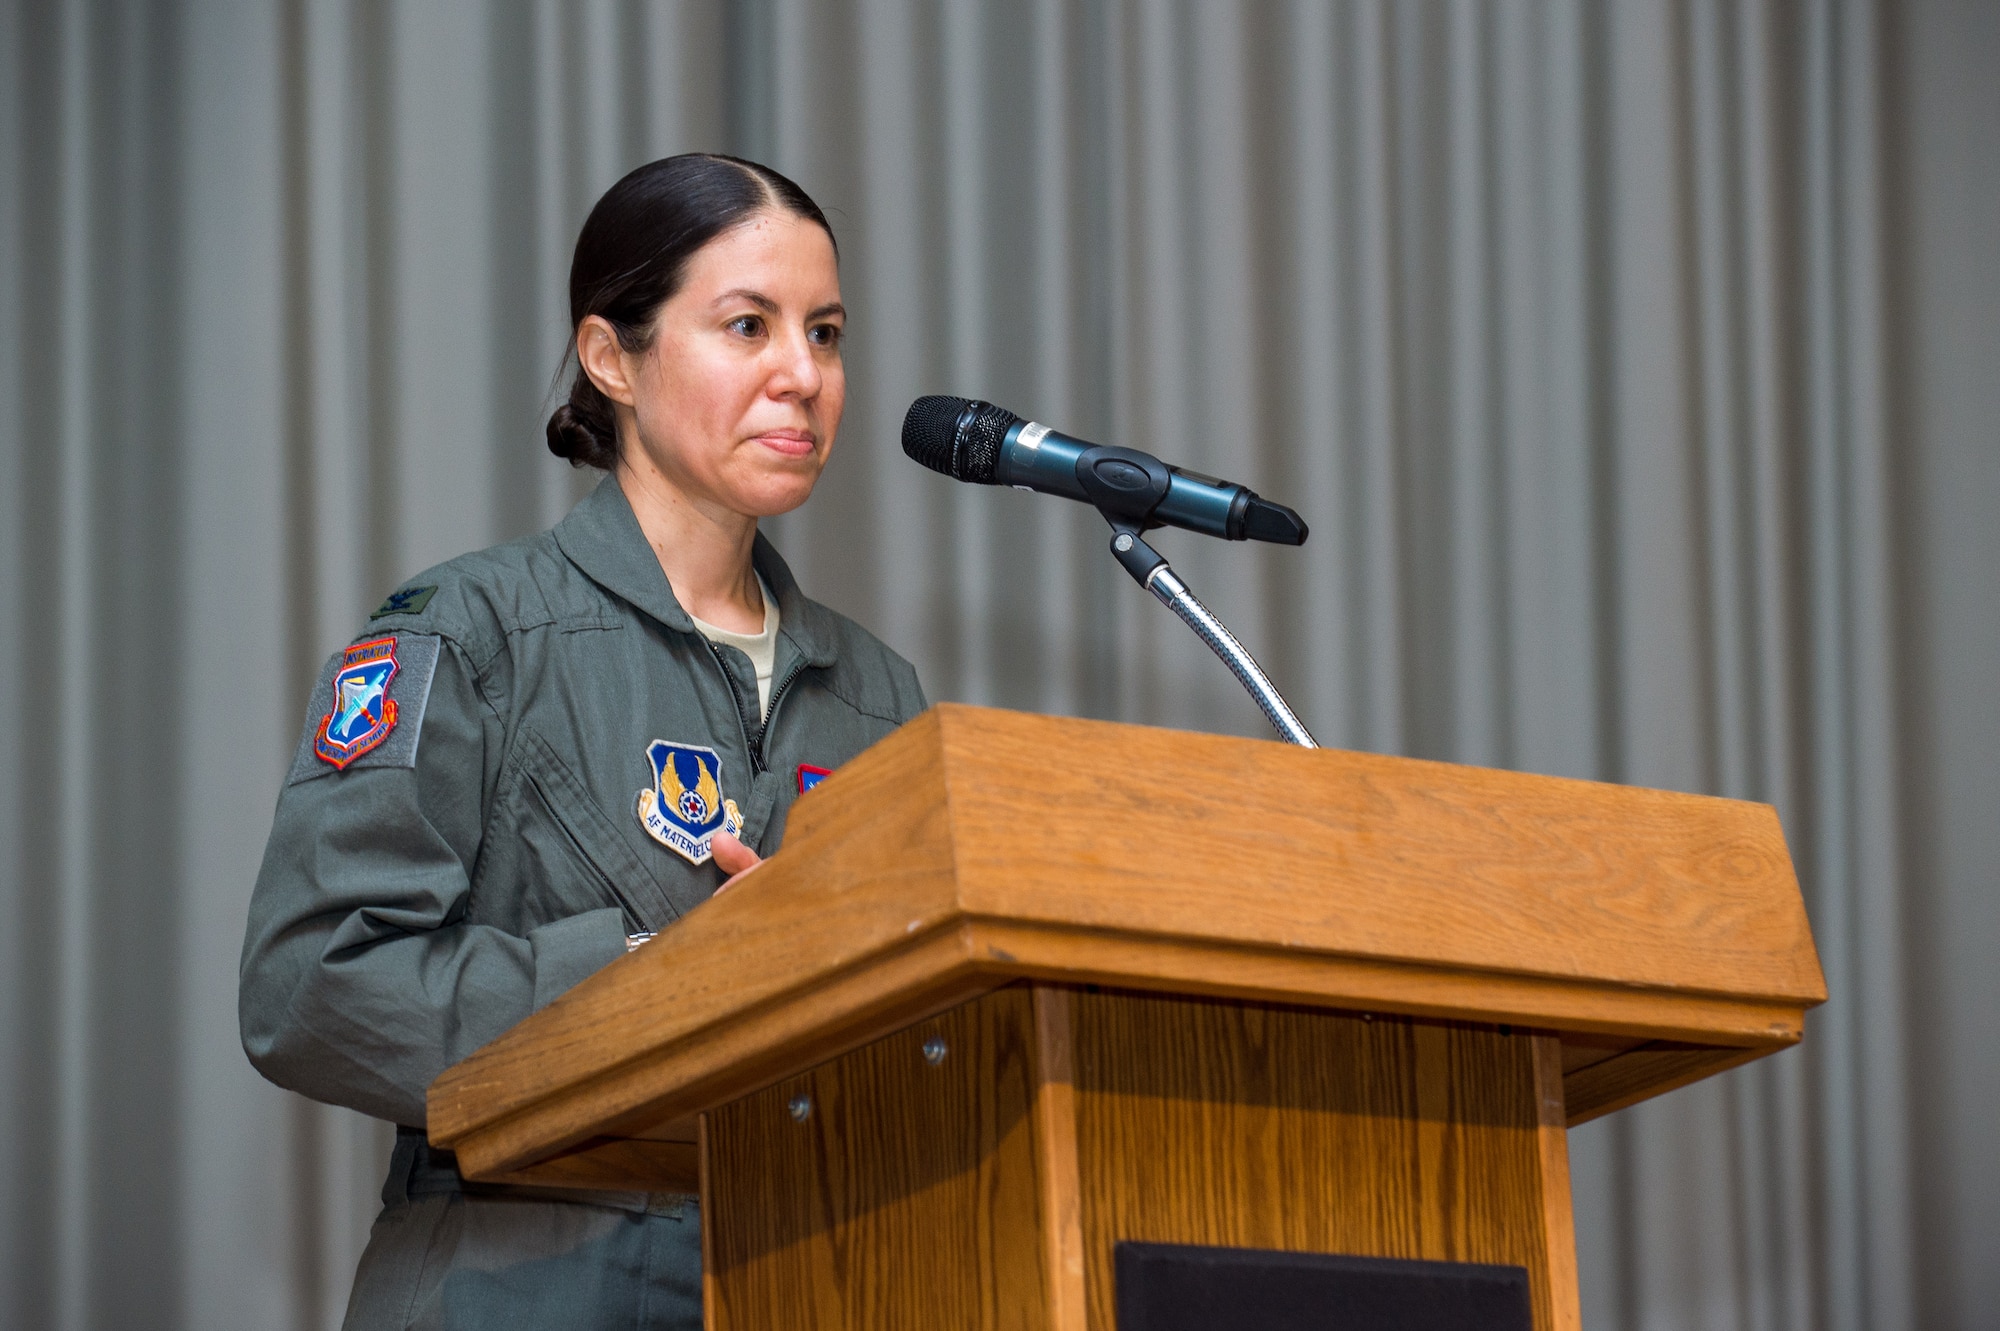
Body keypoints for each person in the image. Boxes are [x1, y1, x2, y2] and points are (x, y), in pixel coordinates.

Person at [240, 153, 926, 1330]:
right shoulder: (468, 631)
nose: (801, 376)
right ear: (612, 357)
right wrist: (653, 979)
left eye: (825, 332)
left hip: (804, 1271)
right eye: (747, 325)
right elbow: (310, 986)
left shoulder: (879, 691)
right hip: (516, 1271)